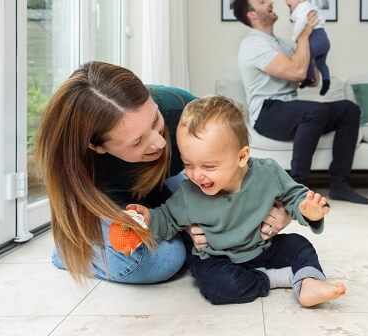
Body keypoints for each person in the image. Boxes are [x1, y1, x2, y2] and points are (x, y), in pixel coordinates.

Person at [35, 61, 292, 284]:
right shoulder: (77, 158)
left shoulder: (180, 109)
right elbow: (80, 210)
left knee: (220, 230)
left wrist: (281, 210)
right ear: (98, 146)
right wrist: (181, 225)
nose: (159, 143)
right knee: (166, 259)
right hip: (113, 201)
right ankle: (69, 252)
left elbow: (241, 169)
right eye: (138, 142)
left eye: (155, 121)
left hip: (165, 183)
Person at [130, 95, 346, 306]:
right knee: (219, 286)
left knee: (299, 245)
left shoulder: (268, 172)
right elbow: (166, 218)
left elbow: (294, 196)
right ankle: (276, 279)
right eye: (188, 164)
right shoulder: (189, 193)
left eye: (209, 166)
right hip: (216, 257)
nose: (196, 175)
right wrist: (147, 218)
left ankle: (310, 281)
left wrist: (309, 211)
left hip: (262, 247)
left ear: (242, 157)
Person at [234, 0, 368, 205]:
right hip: (267, 113)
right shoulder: (253, 43)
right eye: (262, 1)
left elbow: (311, 78)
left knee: (348, 109)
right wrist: (305, 35)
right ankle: (297, 189)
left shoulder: (282, 44)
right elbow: (297, 72)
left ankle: (340, 185)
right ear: (252, 14)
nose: (271, 2)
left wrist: (312, 40)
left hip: (291, 109)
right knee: (313, 111)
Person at [285, 0, 330, 95]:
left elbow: (300, 22)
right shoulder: (310, 7)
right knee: (321, 63)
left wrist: (295, 37)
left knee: (306, 56)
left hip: (316, 37)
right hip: (324, 39)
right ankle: (326, 81)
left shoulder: (302, 8)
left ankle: (309, 78)